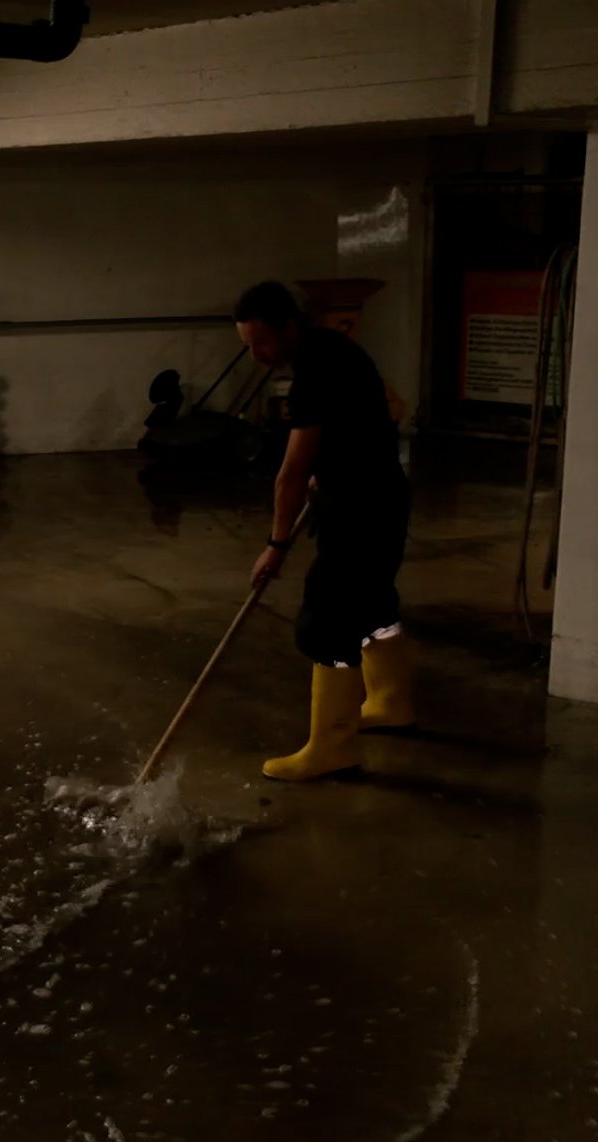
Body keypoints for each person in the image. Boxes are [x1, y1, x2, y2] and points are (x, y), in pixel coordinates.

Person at [235, 280, 414, 781]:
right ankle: (391, 702)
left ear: (287, 326)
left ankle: (332, 747)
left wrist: (275, 545)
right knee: (375, 604)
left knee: (327, 621)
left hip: (359, 508)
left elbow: (290, 474)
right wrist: (334, 463)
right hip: (384, 496)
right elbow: (376, 414)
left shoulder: (314, 369)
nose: (256, 355)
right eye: (248, 346)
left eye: (260, 343)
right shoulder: (336, 348)